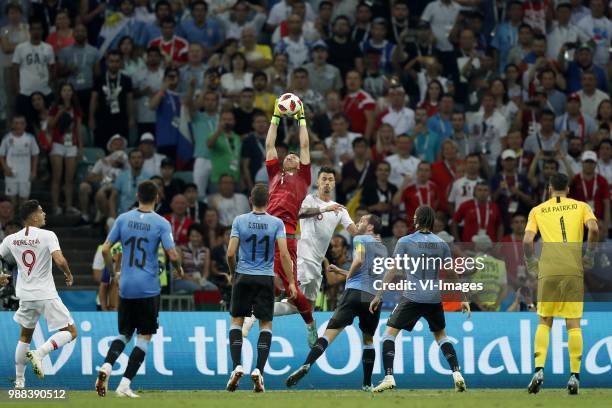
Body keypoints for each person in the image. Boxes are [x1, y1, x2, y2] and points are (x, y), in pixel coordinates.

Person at [245, 167, 358, 336]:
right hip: (303, 257)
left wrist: (369, 232)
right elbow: (296, 213)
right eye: (324, 179)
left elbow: (355, 232)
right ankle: (255, 311)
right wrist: (322, 209)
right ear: (318, 182)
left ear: (334, 184)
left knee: (302, 306)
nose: (327, 182)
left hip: (317, 262)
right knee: (294, 296)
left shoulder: (340, 209)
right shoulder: (308, 200)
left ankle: (258, 311)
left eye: (330, 179)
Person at [96, 180, 183, 398]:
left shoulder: (123, 219)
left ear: (137, 195)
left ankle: (107, 366)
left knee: (124, 333)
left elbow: (106, 249)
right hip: (148, 288)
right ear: (157, 198)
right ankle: (124, 384)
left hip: (125, 285)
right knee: (144, 336)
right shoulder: (161, 223)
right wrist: (179, 268)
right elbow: (172, 255)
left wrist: (113, 273)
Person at [370, 205, 469, 393]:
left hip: (413, 296)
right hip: (433, 297)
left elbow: (392, 269)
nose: (413, 219)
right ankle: (457, 373)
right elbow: (452, 272)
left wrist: (379, 294)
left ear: (418, 219)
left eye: (415, 216)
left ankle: (388, 376)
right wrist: (463, 297)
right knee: (441, 336)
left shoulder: (405, 241)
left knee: (388, 335)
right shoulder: (441, 243)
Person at [285, 214, 387, 391]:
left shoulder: (361, 238)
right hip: (373, 297)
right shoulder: (383, 248)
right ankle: (367, 383)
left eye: (362, 221)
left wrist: (347, 281)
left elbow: (359, 260)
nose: (357, 223)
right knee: (368, 341)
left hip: (354, 293)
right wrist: (341, 271)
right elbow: (371, 276)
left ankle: (308, 364)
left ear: (370, 228)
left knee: (328, 335)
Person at [523, 172, 599, 395]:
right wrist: (591, 254)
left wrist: (530, 261)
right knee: (573, 323)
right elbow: (594, 228)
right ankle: (574, 376)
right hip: (572, 268)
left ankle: (538, 370)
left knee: (544, 320)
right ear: (568, 189)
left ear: (549, 189)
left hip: (548, 269)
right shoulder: (581, 206)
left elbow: (527, 240)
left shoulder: (537, 210)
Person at [225, 183, 296, 393]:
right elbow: (284, 255)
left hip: (243, 276)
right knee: (265, 325)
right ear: (269, 202)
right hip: (265, 277)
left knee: (237, 322)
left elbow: (230, 253)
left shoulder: (239, 220)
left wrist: (232, 273)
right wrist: (290, 281)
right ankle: (259, 371)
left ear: (250, 200)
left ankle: (237, 365)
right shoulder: (276, 223)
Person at [0, 200, 76, 389]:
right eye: (41, 212)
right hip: (46, 294)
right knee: (71, 332)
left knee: (24, 336)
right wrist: (68, 273)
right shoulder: (48, 235)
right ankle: (40, 353)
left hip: (25, 295)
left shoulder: (11, 239)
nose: (44, 215)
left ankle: (19, 382)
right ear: (33, 216)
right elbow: (59, 259)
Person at [264, 98, 316, 345]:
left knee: (293, 290)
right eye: (289, 155)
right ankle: (253, 315)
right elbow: (269, 144)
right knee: (262, 283)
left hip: (286, 235)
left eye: (296, 156)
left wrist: (301, 118)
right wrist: (275, 117)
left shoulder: (304, 177)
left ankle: (310, 324)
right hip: (266, 231)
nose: (292, 156)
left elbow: (305, 145)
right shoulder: (275, 174)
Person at [48, 82, 83, 216]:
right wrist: (60, 113)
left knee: (69, 178)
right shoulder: (55, 107)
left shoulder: (76, 108)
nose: (67, 93)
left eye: (69, 90)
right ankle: (56, 206)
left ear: (72, 93)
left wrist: (80, 146)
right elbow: (50, 124)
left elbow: (78, 128)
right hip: (57, 143)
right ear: (60, 93)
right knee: (57, 177)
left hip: (71, 144)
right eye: (64, 90)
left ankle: (68, 206)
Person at [12, 18, 54, 118]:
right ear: (29, 30)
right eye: (34, 29)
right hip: (25, 92)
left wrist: (50, 82)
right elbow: (14, 69)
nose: (36, 31)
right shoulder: (20, 47)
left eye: (39, 29)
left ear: (42, 31)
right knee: (27, 123)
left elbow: (52, 67)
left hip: (45, 91)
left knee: (47, 121)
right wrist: (17, 89)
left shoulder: (48, 47)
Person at [0, 116, 39, 207]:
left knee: (24, 200)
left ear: (25, 125)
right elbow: (1, 155)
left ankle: (22, 221)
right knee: (11, 201)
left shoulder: (30, 138)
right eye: (16, 123)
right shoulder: (7, 138)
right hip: (11, 174)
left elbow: (35, 155)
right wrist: (5, 168)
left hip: (25, 174)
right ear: (12, 124)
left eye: (21, 123)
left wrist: (33, 171)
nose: (18, 125)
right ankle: (11, 221)